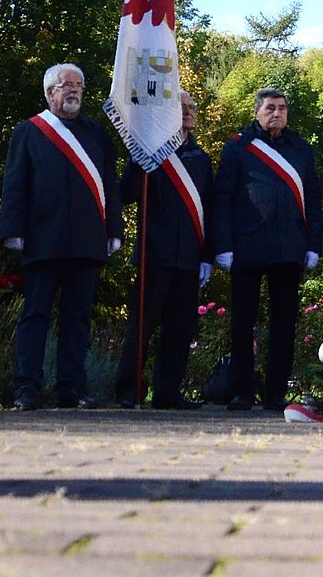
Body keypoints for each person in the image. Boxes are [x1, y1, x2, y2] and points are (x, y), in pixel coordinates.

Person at [0, 63, 123, 410]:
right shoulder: (30, 131)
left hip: (86, 239)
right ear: (50, 91)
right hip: (42, 238)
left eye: (79, 85)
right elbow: (15, 184)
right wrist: (13, 230)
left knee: (77, 318)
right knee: (36, 315)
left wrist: (114, 229)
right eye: (66, 85)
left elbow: (109, 185)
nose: (74, 91)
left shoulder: (96, 134)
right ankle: (27, 387)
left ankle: (72, 387)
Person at [213, 87, 322, 414]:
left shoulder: (301, 150)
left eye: (282, 108)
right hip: (246, 247)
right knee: (243, 323)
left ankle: (275, 393)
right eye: (271, 108)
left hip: (289, 248)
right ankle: (242, 392)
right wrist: (224, 246)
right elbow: (223, 199)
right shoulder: (238, 148)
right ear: (257, 111)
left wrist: (313, 245)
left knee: (284, 323)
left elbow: (314, 200)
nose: (277, 113)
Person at [114, 90, 214, 410]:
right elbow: (125, 194)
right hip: (153, 255)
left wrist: (207, 256)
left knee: (181, 329)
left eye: (191, 108)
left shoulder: (201, 159)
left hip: (188, 257)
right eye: (180, 107)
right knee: (142, 325)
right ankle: (129, 389)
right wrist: (137, 157)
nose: (186, 112)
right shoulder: (151, 152)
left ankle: (168, 391)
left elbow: (210, 210)